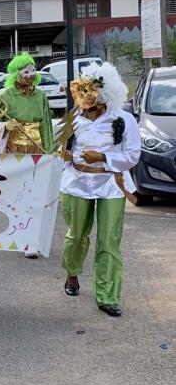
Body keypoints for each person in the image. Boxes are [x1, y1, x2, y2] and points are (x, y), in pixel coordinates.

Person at [56, 63, 140, 317]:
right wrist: (66, 155)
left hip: (111, 185)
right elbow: (59, 151)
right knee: (76, 235)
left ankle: (107, 296)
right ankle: (72, 273)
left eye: (90, 92)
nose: (85, 99)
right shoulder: (73, 118)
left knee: (108, 241)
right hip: (76, 184)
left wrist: (103, 157)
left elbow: (133, 155)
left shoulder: (123, 119)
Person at [0, 52, 54, 258]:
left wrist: (49, 152)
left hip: (36, 148)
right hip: (14, 149)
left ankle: (32, 239)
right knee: (19, 193)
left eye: (33, 70)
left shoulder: (40, 95)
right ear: (15, 73)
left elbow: (47, 126)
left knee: (37, 192)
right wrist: (5, 125)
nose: (30, 74)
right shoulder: (4, 96)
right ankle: (23, 235)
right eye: (26, 71)